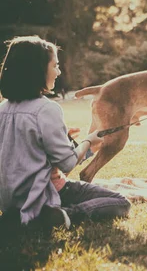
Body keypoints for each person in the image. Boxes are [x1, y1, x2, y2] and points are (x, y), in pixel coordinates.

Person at [0, 36, 131, 232]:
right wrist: (88, 141)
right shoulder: (46, 109)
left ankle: (35, 214)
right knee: (120, 202)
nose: (58, 72)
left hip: (12, 199)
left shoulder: (3, 109)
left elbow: (23, 147)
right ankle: (64, 215)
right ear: (38, 69)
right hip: (45, 193)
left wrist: (64, 138)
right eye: (55, 65)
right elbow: (67, 163)